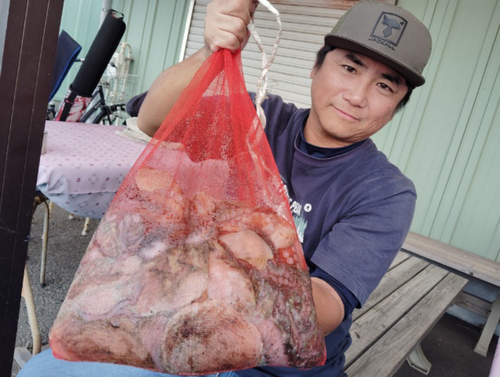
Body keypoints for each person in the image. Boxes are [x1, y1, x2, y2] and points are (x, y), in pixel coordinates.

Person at [19, 0, 432, 376]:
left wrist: (221, 259)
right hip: (180, 326)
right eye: (349, 67)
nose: (357, 95)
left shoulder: (386, 191)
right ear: (316, 66)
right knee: (45, 371)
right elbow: (152, 119)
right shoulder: (257, 117)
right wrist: (209, 51)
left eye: (385, 85)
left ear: (398, 104)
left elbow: (325, 304)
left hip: (274, 366)